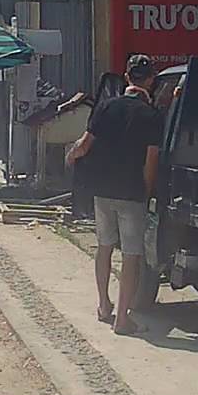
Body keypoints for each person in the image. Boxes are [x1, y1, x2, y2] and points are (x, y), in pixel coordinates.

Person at [66, 54, 161, 336]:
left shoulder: (106, 106)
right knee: (131, 256)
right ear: (151, 80)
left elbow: (84, 145)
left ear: (127, 76)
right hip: (131, 193)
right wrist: (146, 192)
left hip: (103, 191)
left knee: (104, 247)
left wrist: (71, 158)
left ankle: (103, 306)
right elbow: (151, 162)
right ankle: (122, 319)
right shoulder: (152, 116)